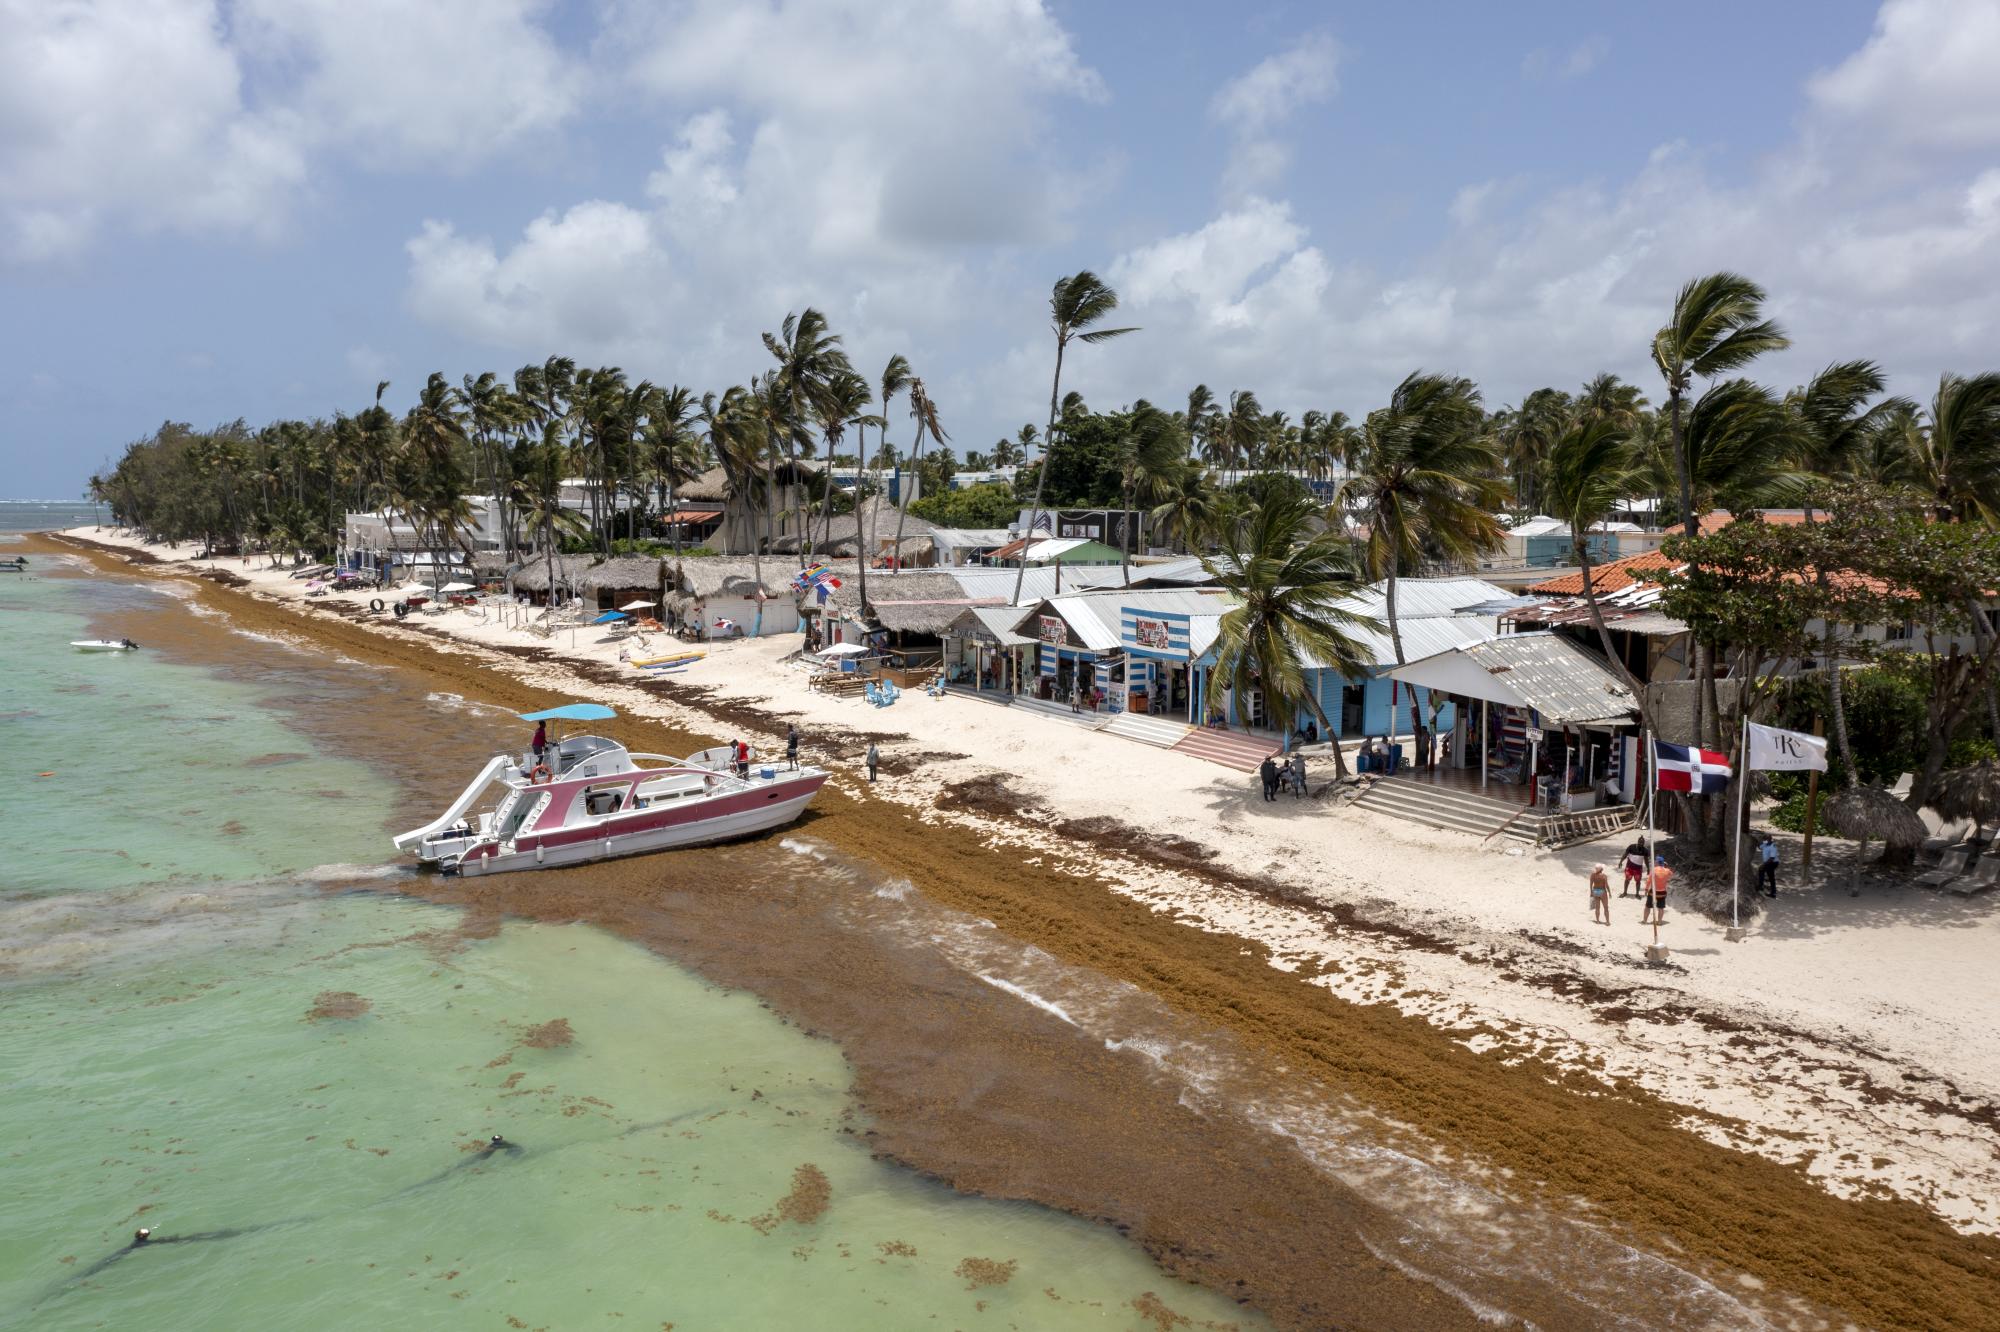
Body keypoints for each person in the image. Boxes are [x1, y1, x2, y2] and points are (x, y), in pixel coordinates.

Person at [1644, 858, 1672, 925]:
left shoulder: (1654, 870)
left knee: (1648, 906)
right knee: (1661, 908)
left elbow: (1649, 881)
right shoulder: (1667, 871)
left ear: (1657, 862)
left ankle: (1645, 921)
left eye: (1655, 862)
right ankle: (1659, 922)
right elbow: (1671, 874)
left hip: (1653, 892)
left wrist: (1646, 889)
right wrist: (1666, 867)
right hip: (1662, 892)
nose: (1654, 863)